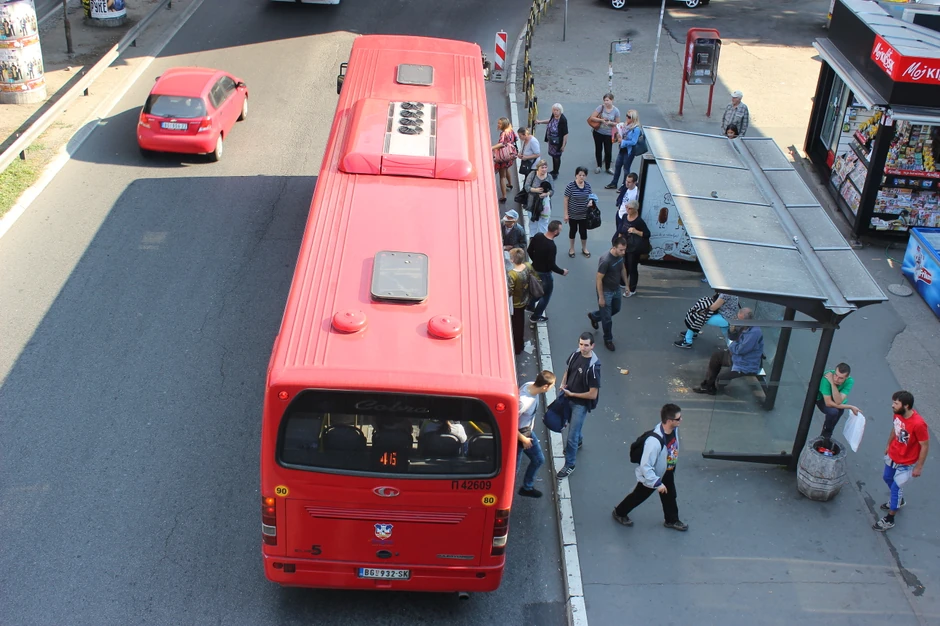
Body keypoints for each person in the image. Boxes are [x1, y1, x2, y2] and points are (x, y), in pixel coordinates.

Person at [612, 403, 688, 531]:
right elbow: (646, 466)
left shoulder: (673, 429)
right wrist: (657, 483)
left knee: (670, 495)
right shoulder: (653, 443)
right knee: (639, 495)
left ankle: (671, 519)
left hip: (666, 471)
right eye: (678, 418)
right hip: (654, 475)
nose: (681, 420)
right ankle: (619, 512)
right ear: (669, 421)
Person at [873, 391, 929, 532]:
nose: (893, 405)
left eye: (896, 403)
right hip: (893, 455)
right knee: (887, 478)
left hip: (907, 463)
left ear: (906, 405)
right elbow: (895, 429)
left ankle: (890, 518)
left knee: (896, 488)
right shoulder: (898, 414)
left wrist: (919, 467)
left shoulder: (919, 424)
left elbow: (924, 445)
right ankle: (898, 500)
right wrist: (888, 445)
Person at [557, 332, 601, 479]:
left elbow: (593, 394)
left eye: (586, 345)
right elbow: (568, 370)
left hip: (580, 404)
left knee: (571, 436)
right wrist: (563, 384)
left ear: (592, 346)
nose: (583, 348)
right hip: (568, 397)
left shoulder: (594, 367)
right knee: (571, 425)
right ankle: (579, 441)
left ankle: (570, 464)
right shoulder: (575, 354)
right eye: (581, 344)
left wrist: (573, 395)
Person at [692, 308, 764, 395]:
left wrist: (731, 346)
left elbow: (740, 350)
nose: (738, 322)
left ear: (746, 321)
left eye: (739, 320)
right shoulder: (743, 325)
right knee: (716, 356)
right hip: (735, 356)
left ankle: (717, 387)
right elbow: (732, 338)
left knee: (721, 379)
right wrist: (731, 330)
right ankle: (708, 386)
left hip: (745, 363)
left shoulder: (754, 333)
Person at [517, 371, 556, 498]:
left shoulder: (528, 385)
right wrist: (523, 439)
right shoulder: (524, 402)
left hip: (527, 432)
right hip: (519, 437)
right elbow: (508, 423)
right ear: (545, 386)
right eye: (552, 385)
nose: (552, 388)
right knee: (513, 471)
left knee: (538, 459)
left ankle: (527, 487)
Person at [586, 236, 628, 352]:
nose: (623, 252)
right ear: (614, 248)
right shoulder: (606, 260)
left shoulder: (620, 257)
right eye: (621, 250)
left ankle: (595, 316)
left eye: (624, 250)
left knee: (616, 309)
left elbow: (622, 269)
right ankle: (608, 339)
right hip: (606, 291)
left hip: (616, 289)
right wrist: (601, 297)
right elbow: (599, 279)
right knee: (607, 318)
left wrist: (627, 285)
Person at [527, 219, 568, 324]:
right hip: (545, 274)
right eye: (560, 230)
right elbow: (552, 265)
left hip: (534, 269)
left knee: (535, 289)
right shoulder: (551, 246)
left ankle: (530, 305)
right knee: (545, 295)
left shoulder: (538, 236)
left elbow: (529, 250)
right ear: (555, 232)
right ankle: (536, 316)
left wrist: (535, 260)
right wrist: (562, 271)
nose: (560, 232)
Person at [816, 363, 860, 448]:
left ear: (846, 378)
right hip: (822, 399)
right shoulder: (827, 378)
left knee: (839, 411)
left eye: (841, 378)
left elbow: (838, 401)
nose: (836, 379)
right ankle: (826, 434)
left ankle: (827, 434)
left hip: (837, 400)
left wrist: (832, 384)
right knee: (833, 412)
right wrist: (850, 406)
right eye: (835, 375)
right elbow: (828, 403)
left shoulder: (849, 381)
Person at [674, 292, 740, 349]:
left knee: (698, 317)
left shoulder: (725, 294)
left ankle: (687, 341)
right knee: (726, 332)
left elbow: (713, 307)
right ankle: (733, 347)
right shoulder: (731, 291)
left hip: (724, 317)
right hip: (730, 317)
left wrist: (701, 308)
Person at [612, 200, 650, 297]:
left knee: (632, 267)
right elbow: (620, 230)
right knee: (624, 265)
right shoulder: (625, 216)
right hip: (625, 246)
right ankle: (622, 282)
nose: (627, 209)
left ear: (635, 209)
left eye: (630, 208)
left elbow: (647, 234)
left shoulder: (639, 221)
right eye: (627, 207)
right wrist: (617, 243)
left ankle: (632, 288)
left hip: (634, 248)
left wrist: (636, 231)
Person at [507, 248, 534, 355]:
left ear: (513, 260)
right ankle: (520, 344)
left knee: (515, 325)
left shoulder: (512, 274)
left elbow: (509, 291)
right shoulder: (528, 266)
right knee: (520, 323)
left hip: (515, 303)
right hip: (525, 299)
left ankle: (516, 346)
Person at [563, 166, 595, 259]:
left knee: (583, 232)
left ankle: (584, 248)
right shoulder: (570, 186)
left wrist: (590, 201)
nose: (581, 177)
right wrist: (566, 214)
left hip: (584, 215)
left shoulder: (588, 186)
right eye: (580, 175)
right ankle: (571, 248)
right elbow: (566, 199)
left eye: (583, 175)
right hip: (573, 214)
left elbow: (591, 196)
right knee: (573, 231)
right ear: (576, 175)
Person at [606, 109, 641, 190]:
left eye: (629, 117)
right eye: (627, 115)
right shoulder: (625, 125)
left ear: (633, 118)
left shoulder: (636, 129)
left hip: (629, 151)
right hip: (622, 149)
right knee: (617, 166)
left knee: (626, 169)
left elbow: (633, 142)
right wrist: (618, 135)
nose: (627, 118)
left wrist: (623, 141)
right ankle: (614, 183)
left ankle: (624, 186)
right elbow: (621, 132)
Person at [589, 93, 620, 175]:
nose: (606, 102)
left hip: (609, 134)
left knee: (608, 151)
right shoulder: (601, 107)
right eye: (605, 100)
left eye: (607, 100)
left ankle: (608, 167)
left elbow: (617, 123)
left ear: (612, 100)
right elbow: (592, 117)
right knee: (598, 149)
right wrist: (601, 120)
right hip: (598, 132)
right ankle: (598, 165)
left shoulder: (616, 111)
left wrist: (610, 123)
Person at [536, 103, 569, 180]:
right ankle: (554, 170)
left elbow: (565, 133)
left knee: (557, 157)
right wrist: (540, 121)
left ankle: (556, 172)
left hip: (558, 142)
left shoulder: (563, 120)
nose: (555, 112)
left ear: (560, 111)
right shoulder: (553, 116)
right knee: (553, 156)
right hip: (552, 141)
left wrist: (563, 145)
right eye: (554, 110)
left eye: (557, 110)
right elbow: (550, 121)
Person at [522, 160, 553, 236]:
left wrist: (546, 194)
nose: (544, 169)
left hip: (544, 204)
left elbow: (552, 190)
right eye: (542, 167)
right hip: (532, 203)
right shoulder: (532, 174)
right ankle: (532, 239)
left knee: (544, 223)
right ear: (538, 168)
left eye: (546, 167)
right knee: (533, 223)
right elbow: (526, 187)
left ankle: (543, 239)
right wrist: (535, 190)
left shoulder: (549, 176)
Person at [493, 117, 518, 203]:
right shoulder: (511, 131)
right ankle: (510, 183)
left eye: (500, 123)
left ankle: (504, 196)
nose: (498, 125)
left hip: (503, 156)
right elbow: (516, 139)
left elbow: (501, 143)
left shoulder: (503, 133)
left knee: (502, 177)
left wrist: (491, 147)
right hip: (510, 155)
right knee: (507, 169)